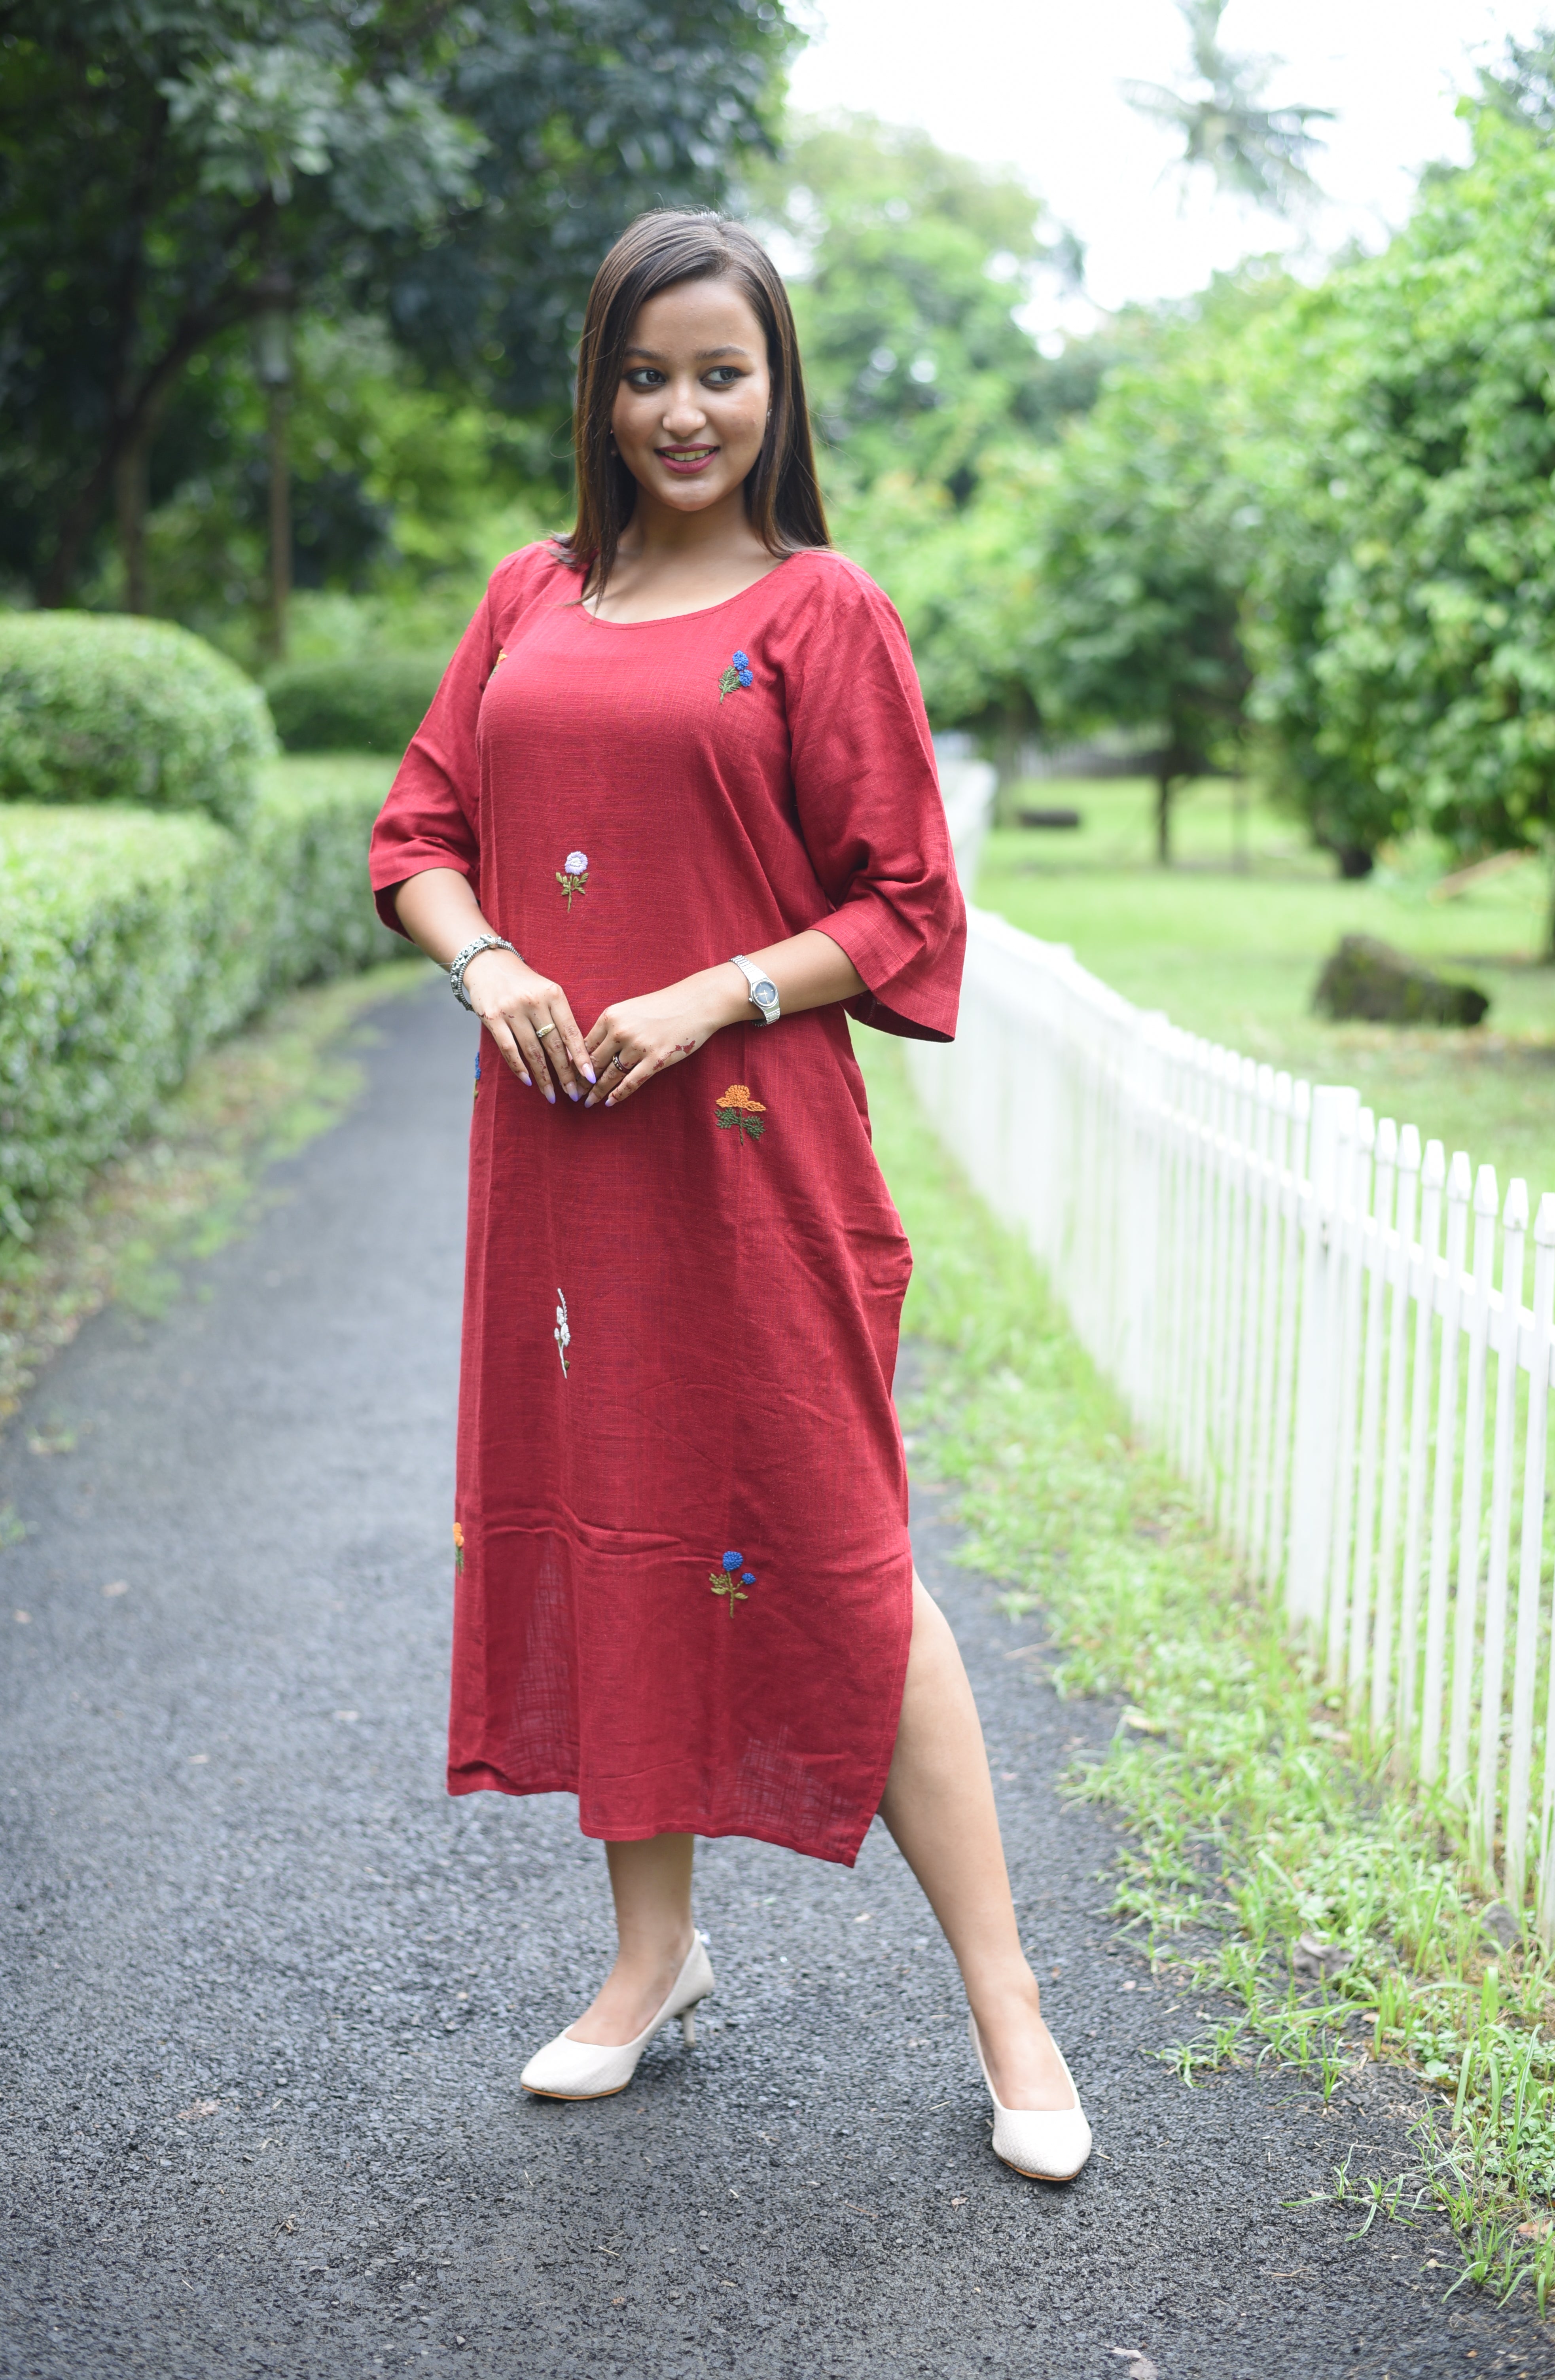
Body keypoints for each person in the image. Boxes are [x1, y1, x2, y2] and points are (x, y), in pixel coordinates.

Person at [368, 209, 1089, 2184]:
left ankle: (1010, 2006)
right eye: (646, 373)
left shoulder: (822, 611)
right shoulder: (527, 594)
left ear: (774, 391)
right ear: (598, 391)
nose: (682, 410)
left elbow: (907, 906)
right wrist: (494, 965)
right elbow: (417, 830)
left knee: (842, 1554)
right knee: (620, 1523)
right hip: (565, 1154)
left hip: (755, 1152)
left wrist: (707, 988)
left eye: (721, 372)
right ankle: (648, 1960)